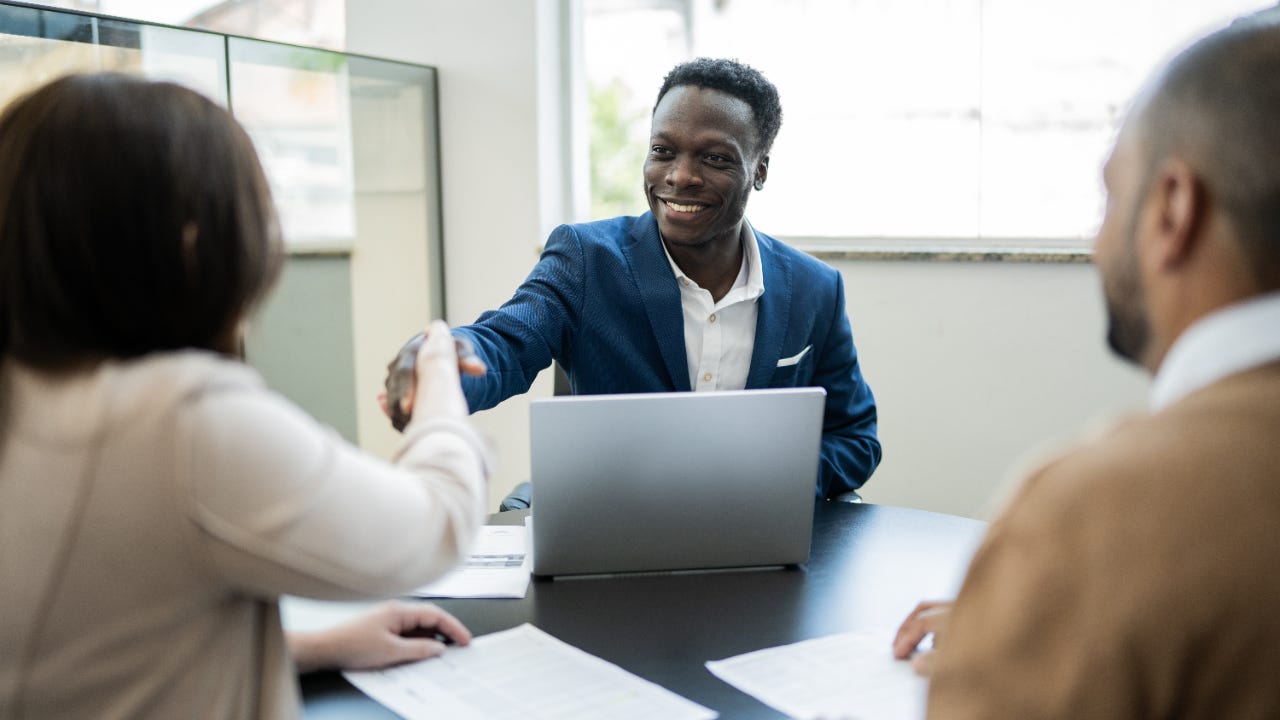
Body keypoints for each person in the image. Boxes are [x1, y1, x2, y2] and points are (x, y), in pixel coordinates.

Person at [0, 73, 488, 719]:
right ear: (194, 239)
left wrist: (311, 647)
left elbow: (95, 648)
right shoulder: (178, 418)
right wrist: (437, 380)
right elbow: (438, 523)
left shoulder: (28, 394)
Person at [892, 13, 1280, 718]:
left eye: (1109, 197)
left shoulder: (1094, 516)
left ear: (1172, 209)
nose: (1096, 239)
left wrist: (1048, 609)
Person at [400, 58, 881, 499]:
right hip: (610, 531)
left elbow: (854, 437)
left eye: (714, 158)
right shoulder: (587, 259)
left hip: (754, 539)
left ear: (760, 170)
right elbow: (506, 339)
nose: (679, 176)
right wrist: (447, 360)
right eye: (663, 150)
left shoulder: (814, 289)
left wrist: (763, 480)